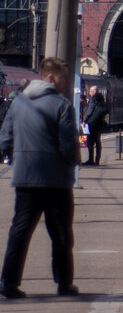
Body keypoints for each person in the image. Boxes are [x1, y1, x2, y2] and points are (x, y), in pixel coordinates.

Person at [0, 57, 80, 298]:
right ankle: (64, 284)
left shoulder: (19, 103)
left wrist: (18, 158)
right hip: (56, 180)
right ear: (51, 78)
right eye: (65, 78)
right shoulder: (62, 105)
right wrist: (72, 162)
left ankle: (8, 282)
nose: (67, 82)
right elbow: (68, 146)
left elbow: (5, 139)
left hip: (25, 179)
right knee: (61, 233)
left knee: (20, 231)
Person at [81, 85, 108, 166]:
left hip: (92, 122)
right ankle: (97, 160)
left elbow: (90, 111)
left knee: (90, 141)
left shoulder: (93, 99)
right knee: (98, 141)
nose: (89, 93)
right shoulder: (101, 99)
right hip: (99, 122)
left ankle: (91, 160)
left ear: (94, 91)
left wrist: (84, 120)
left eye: (90, 91)